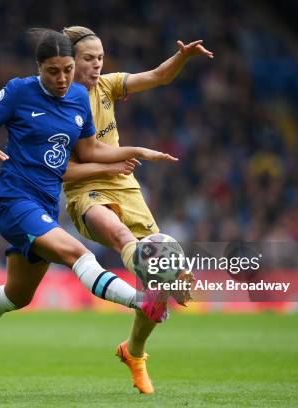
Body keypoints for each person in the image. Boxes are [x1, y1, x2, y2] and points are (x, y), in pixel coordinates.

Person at [0, 29, 178, 372]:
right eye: (52, 71)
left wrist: (132, 152)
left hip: (45, 204)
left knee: (18, 295)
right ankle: (142, 302)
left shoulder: (78, 98)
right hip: (13, 199)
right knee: (80, 254)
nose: (61, 79)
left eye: (67, 70)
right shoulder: (19, 91)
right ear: (39, 68)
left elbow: (89, 150)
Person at [61, 26, 213, 393]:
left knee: (156, 278)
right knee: (125, 239)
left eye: (100, 57)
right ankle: (167, 271)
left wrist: (182, 57)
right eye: (88, 59)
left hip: (124, 186)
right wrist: (125, 157)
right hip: (85, 190)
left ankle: (135, 351)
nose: (97, 65)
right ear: (70, 62)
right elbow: (69, 167)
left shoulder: (108, 85)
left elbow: (159, 77)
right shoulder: (58, 101)